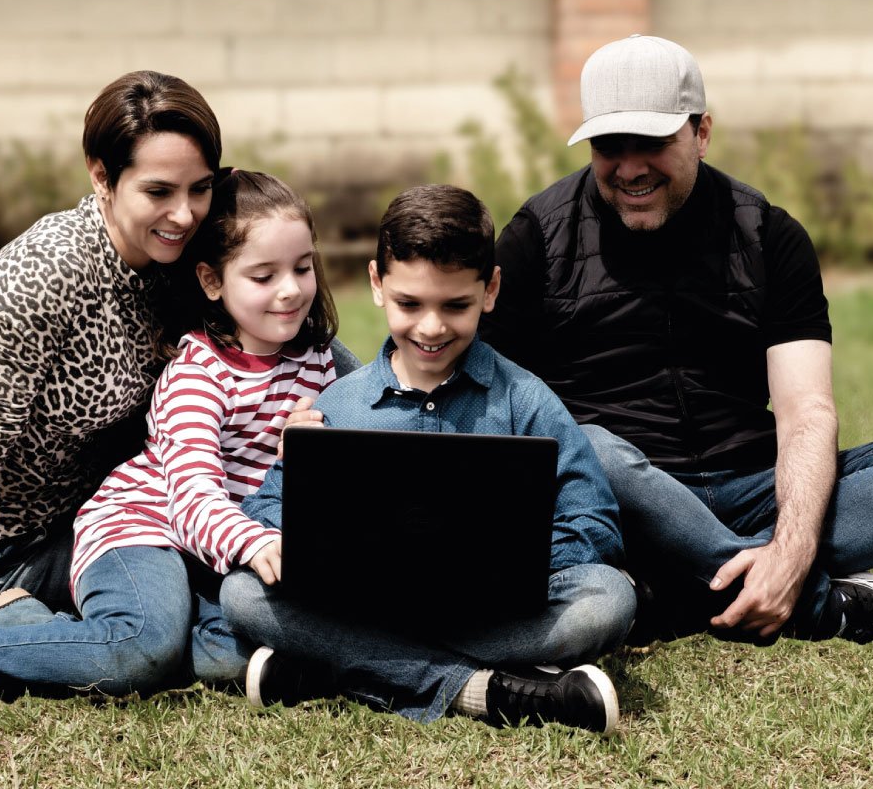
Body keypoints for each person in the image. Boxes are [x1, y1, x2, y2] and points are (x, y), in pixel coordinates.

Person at [0, 170, 342, 719]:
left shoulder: (317, 359)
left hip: (215, 553)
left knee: (245, 633)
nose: (291, 289)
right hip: (141, 527)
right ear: (213, 281)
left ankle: (30, 628)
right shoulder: (198, 376)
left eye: (302, 267)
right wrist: (254, 542)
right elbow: (194, 500)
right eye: (264, 276)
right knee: (142, 647)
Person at [479, 34, 873, 645]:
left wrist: (790, 547)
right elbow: (502, 417)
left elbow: (805, 410)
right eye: (609, 145)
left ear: (701, 132)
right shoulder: (534, 240)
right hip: (622, 500)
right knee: (589, 445)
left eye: (653, 142)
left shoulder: (769, 234)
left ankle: (694, 584)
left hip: (755, 485)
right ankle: (823, 603)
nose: (629, 168)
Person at [0, 70, 357, 633]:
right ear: (102, 177)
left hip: (153, 505)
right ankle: (7, 615)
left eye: (199, 188)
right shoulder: (39, 275)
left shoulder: (183, 251)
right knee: (162, 630)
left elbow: (294, 324)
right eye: (158, 191)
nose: (184, 213)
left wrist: (361, 410)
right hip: (28, 542)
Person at [219, 185, 634, 735]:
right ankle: (483, 690)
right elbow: (265, 512)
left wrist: (511, 556)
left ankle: (340, 666)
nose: (432, 327)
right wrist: (286, 533)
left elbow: (594, 522)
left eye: (456, 305)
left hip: (491, 614)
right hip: (367, 604)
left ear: (490, 290)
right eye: (410, 304)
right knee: (242, 595)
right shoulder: (336, 406)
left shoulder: (525, 399)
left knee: (609, 597)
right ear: (377, 285)